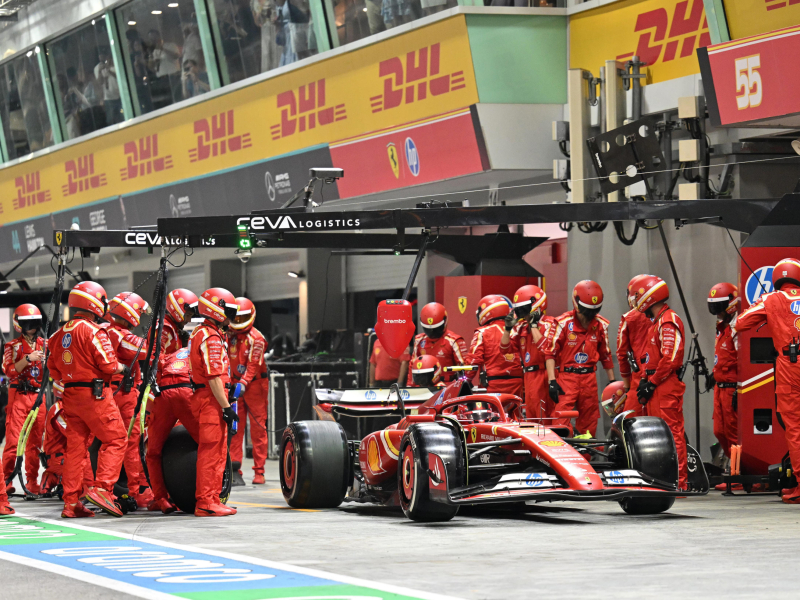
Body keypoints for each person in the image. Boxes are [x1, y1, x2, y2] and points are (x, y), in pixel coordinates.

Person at [48, 281, 127, 518]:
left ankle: (71, 503)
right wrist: (123, 367)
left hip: (70, 396)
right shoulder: (95, 331)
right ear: (93, 302)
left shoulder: (58, 334)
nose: (104, 305)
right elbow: (109, 365)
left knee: (76, 449)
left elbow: (53, 368)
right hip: (95, 395)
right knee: (117, 439)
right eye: (102, 300)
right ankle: (103, 488)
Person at [736, 258, 800, 504]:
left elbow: (741, 323)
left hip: (790, 366)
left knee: (795, 426)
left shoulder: (772, 299)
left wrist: (767, 315)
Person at [632, 275, 688, 491]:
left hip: (664, 386)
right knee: (656, 437)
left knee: (671, 434)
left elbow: (671, 358)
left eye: (638, 295)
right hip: (656, 385)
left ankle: (678, 482)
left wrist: (652, 382)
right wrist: (646, 381)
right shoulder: (656, 323)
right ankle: (660, 480)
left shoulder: (668, 321)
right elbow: (651, 358)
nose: (636, 301)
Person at [189, 287, 239, 517]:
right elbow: (213, 376)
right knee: (211, 452)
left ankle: (212, 499)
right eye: (227, 310)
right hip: (211, 400)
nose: (230, 316)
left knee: (218, 452)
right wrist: (226, 407)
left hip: (212, 399)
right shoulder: (209, 336)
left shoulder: (207, 333)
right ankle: (205, 502)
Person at [544, 281, 615, 437]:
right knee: (561, 419)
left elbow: (606, 355)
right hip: (567, 378)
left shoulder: (601, 325)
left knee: (589, 421)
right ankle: (561, 455)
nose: (589, 317)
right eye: (586, 311)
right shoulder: (562, 323)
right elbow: (550, 353)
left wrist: (612, 382)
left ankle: (588, 457)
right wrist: (552, 381)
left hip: (589, 378)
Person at [104, 292, 153, 508]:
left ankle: (86, 490)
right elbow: (148, 350)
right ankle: (136, 491)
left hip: (105, 393)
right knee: (133, 442)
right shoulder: (119, 334)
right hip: (122, 394)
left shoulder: (104, 330)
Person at [145, 348, 199, 514]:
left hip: (163, 394)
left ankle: (161, 499)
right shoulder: (206, 347)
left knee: (153, 452)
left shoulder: (171, 355)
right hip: (187, 391)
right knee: (210, 446)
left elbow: (156, 370)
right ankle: (207, 498)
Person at [2, 304, 46, 494]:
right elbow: (9, 371)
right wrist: (28, 358)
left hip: (39, 396)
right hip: (18, 395)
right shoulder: (12, 346)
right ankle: (6, 481)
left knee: (35, 442)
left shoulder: (46, 344)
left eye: (34, 323)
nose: (31, 327)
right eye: (28, 323)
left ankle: (32, 480)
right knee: (13, 440)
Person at [228, 297, 270, 485]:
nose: (237, 322)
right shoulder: (228, 335)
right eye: (235, 318)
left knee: (258, 429)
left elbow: (253, 365)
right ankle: (235, 470)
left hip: (254, 387)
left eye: (241, 318)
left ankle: (259, 471)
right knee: (235, 428)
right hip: (234, 385)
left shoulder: (257, 338)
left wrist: (243, 383)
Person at [500, 285, 556, 419]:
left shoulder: (550, 324)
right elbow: (504, 349)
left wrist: (534, 326)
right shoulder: (521, 328)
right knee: (532, 419)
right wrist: (508, 329)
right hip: (528, 377)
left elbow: (546, 349)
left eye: (524, 309)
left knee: (545, 419)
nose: (523, 314)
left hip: (544, 375)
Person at [466, 295, 523, 396]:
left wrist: (466, 379)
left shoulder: (482, 332)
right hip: (518, 383)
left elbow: (474, 361)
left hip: (493, 384)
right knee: (516, 411)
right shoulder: (518, 330)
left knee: (493, 412)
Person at [708, 283, 740, 460]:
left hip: (732, 388)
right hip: (719, 388)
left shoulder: (738, 327)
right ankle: (734, 470)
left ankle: (742, 474)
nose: (717, 312)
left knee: (734, 433)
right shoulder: (721, 327)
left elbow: (742, 360)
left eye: (718, 308)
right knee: (719, 431)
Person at [402, 302, 466, 385]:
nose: (432, 332)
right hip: (423, 387)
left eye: (436, 328)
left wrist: (461, 386)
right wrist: (410, 387)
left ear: (444, 321)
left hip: (447, 386)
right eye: (428, 329)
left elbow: (464, 368)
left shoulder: (453, 341)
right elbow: (412, 366)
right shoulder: (419, 341)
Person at [617, 275, 655, 417]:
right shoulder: (663, 316)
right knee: (665, 426)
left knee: (630, 425)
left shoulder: (628, 318)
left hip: (638, 380)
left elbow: (622, 355)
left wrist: (627, 387)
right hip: (662, 379)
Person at [94, 47, 122, 126]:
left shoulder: (116, 63)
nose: (103, 58)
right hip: (108, 98)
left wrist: (108, 69)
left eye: (104, 56)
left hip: (119, 95)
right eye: (100, 56)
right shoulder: (97, 68)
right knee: (111, 121)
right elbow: (100, 82)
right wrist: (100, 71)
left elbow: (119, 77)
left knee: (122, 118)